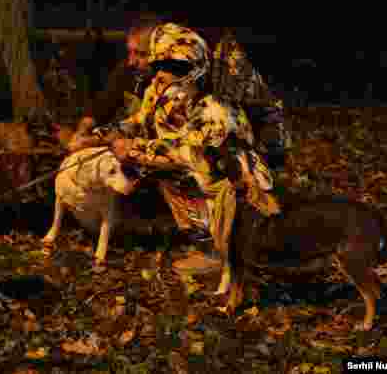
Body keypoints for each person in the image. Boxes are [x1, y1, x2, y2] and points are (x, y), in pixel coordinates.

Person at [85, 21, 288, 278]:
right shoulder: (164, 90)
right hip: (203, 171)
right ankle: (210, 246)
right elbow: (139, 121)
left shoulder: (215, 108)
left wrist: (134, 149)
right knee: (167, 173)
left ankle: (229, 252)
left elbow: (185, 153)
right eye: (160, 65)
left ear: (192, 69)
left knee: (186, 175)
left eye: (171, 67)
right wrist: (100, 136)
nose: (161, 74)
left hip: (235, 182)